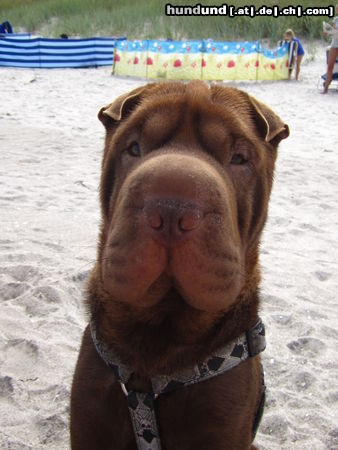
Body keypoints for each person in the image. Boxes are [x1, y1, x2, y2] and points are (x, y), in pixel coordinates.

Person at [323, 4, 338, 93]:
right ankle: (325, 89)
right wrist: (327, 31)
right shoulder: (336, 19)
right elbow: (333, 31)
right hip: (335, 44)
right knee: (330, 66)